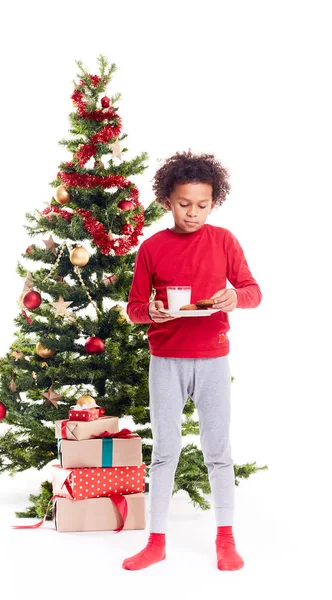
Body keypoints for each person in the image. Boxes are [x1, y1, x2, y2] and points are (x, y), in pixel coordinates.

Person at [123, 150, 262, 571]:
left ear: (214, 202)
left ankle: (225, 538)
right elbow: (133, 307)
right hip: (166, 359)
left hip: (212, 358)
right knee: (165, 451)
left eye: (203, 205)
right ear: (167, 200)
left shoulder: (224, 241)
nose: (193, 213)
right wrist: (153, 312)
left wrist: (233, 297)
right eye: (184, 204)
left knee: (218, 451)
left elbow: (253, 290)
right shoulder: (152, 247)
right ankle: (157, 540)